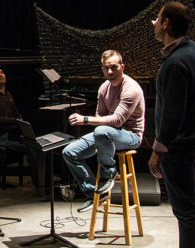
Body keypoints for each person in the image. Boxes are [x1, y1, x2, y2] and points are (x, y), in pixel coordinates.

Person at [149, 2, 195, 248]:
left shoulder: (175, 63)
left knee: (184, 208)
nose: (154, 23)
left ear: (168, 24)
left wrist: (157, 151)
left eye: (158, 18)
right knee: (192, 203)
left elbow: (172, 115)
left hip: (179, 147)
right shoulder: (193, 50)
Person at [62, 50, 145, 213]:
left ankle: (109, 172)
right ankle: (93, 194)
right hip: (107, 133)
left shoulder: (131, 89)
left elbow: (116, 120)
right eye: (106, 68)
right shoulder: (104, 88)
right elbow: (100, 116)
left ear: (122, 67)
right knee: (69, 152)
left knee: (102, 131)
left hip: (130, 136)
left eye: (113, 67)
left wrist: (84, 119)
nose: (110, 72)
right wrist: (99, 124)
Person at [0, 65, 41, 188]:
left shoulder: (8, 94)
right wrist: (17, 120)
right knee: (30, 148)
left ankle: (43, 180)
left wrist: (18, 120)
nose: (1, 75)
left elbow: (16, 113)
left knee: (37, 145)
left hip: (12, 135)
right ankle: (39, 185)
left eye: (2, 72)